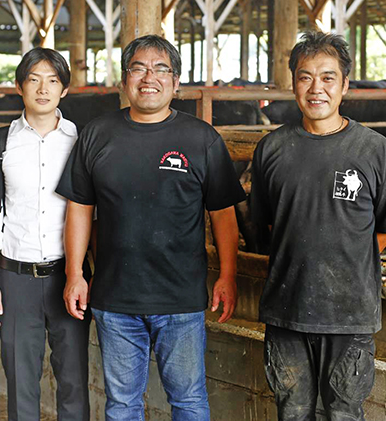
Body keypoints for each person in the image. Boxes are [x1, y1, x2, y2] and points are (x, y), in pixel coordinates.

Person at [56, 34, 245, 420]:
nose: (149, 77)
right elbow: (79, 207)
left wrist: (228, 275)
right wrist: (75, 273)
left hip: (181, 300)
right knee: (122, 405)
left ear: (176, 83)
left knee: (188, 400)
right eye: (139, 68)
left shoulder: (201, 138)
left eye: (161, 69)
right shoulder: (97, 133)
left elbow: (223, 213)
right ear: (125, 79)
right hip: (114, 298)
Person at [251, 32, 386, 420]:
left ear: (345, 85)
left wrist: (347, 260)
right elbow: (264, 223)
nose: (315, 88)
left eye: (327, 77)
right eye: (305, 77)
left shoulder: (375, 151)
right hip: (287, 308)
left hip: (349, 313)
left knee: (344, 413)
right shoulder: (272, 149)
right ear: (293, 83)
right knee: (293, 410)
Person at [0, 47, 90, 421]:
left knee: (74, 381)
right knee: (20, 382)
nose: (43, 89)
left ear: (65, 90)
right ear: (19, 86)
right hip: (15, 278)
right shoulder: (0, 144)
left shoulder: (82, 141)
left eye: (53, 81)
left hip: (68, 277)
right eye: (34, 79)